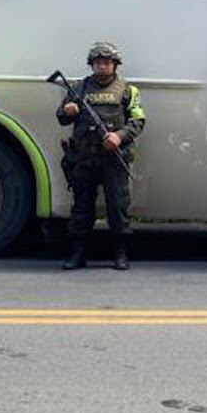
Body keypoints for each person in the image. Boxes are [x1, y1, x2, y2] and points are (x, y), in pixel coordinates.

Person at [57, 41, 145, 270]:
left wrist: (120, 136)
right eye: (97, 63)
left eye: (106, 63)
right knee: (81, 208)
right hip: (84, 157)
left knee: (117, 207)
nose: (101, 67)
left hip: (113, 158)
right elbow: (61, 116)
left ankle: (120, 254)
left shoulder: (127, 90)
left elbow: (138, 120)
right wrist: (68, 111)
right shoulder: (78, 89)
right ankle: (77, 254)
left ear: (115, 65)